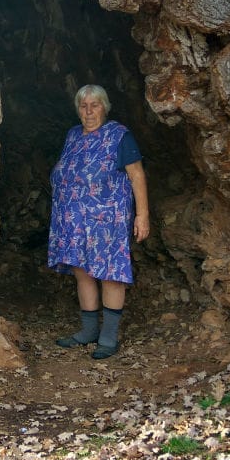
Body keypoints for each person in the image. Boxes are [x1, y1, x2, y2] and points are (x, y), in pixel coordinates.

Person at [48, 84, 150, 359]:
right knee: (82, 271)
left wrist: (142, 215)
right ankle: (88, 331)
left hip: (108, 221)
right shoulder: (72, 135)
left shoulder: (119, 136)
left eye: (95, 105)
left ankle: (108, 337)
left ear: (105, 107)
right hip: (74, 220)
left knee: (110, 273)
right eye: (83, 105)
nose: (89, 111)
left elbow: (137, 175)